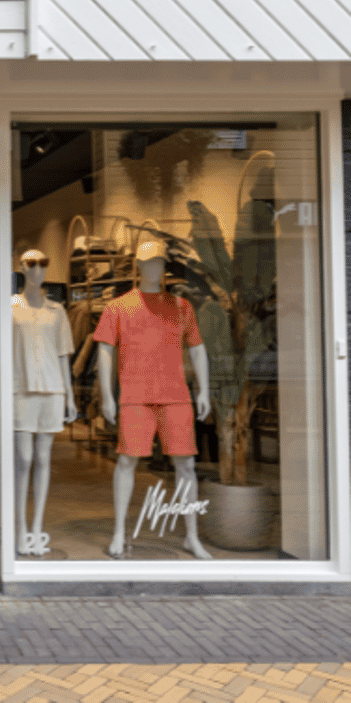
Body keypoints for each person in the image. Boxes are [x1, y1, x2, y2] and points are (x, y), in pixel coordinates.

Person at [94, 240, 212, 560]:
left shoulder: (181, 307)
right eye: (147, 262)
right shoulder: (118, 307)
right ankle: (119, 532)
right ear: (138, 266)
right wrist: (107, 396)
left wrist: (204, 389)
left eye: (158, 262)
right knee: (126, 461)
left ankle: (191, 536)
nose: (153, 268)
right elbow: (104, 351)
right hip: (135, 395)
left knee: (186, 465)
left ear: (164, 267)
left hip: (176, 396)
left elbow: (197, 348)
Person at [0, 249, 77, 556]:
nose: (38, 269)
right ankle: (20, 527)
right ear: (21, 268)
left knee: (43, 459)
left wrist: (70, 396)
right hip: (19, 390)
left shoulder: (57, 310)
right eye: (31, 263)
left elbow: (63, 355)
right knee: (24, 458)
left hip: (52, 390)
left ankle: (37, 528)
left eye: (43, 263)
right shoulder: (7, 307)